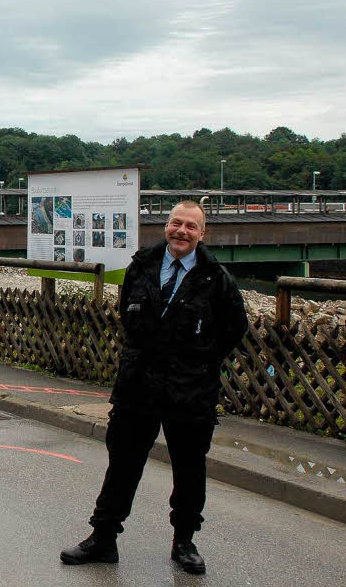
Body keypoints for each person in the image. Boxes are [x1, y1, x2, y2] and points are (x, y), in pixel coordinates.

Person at [60, 200, 247, 575]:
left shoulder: (216, 278)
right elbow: (126, 312)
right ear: (166, 226)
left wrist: (199, 360)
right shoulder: (142, 265)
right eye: (176, 223)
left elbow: (234, 329)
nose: (182, 231)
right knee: (123, 465)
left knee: (189, 470)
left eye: (190, 226)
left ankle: (184, 542)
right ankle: (103, 538)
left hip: (190, 390)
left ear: (202, 233)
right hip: (138, 386)